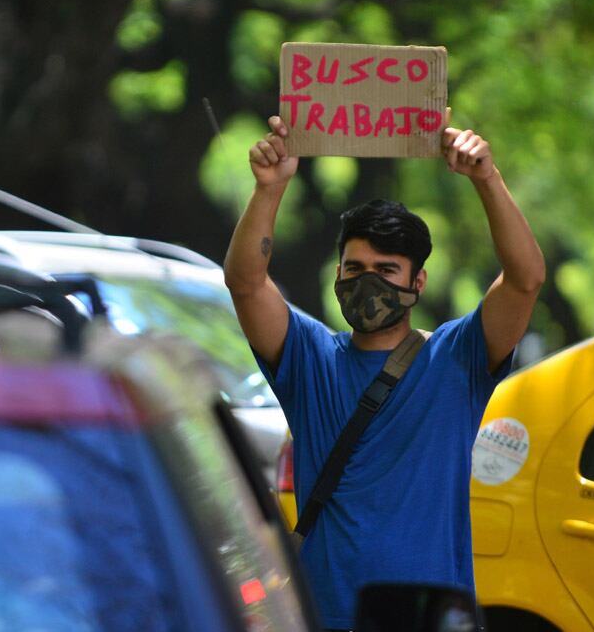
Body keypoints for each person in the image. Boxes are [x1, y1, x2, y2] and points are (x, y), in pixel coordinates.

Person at [223, 113, 545, 630]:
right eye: (355, 269)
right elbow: (245, 283)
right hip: (329, 616)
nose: (367, 283)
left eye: (386, 271)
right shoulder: (309, 358)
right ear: (337, 276)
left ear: (417, 283)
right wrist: (269, 189)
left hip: (428, 618)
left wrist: (487, 179)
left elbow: (525, 281)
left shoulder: (457, 359)